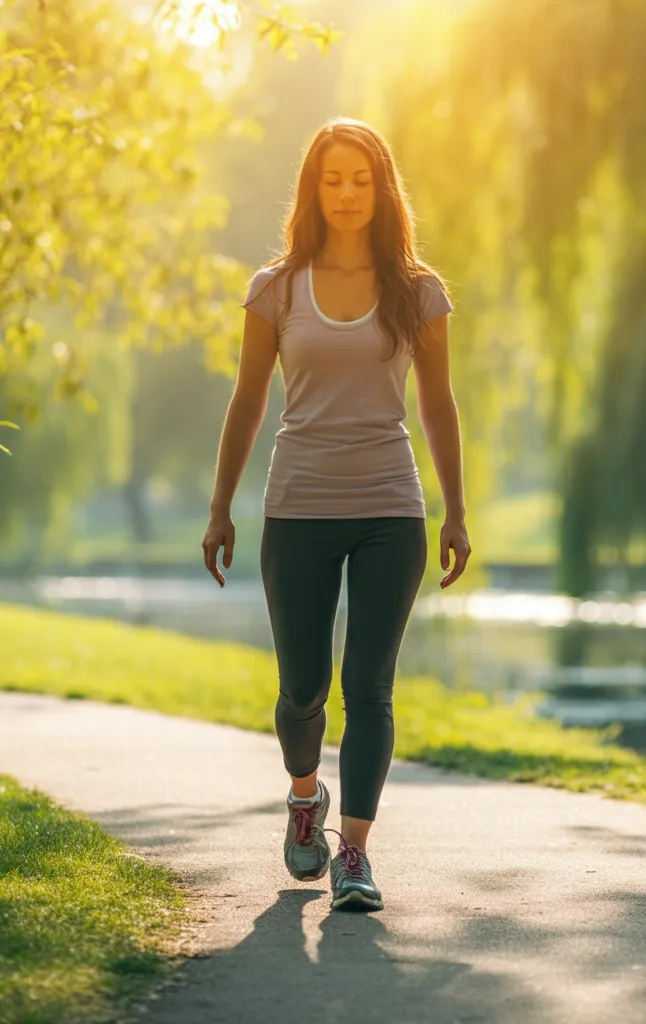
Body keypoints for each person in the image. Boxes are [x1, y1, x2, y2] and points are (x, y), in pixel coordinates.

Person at [201, 117, 471, 912]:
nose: (348, 194)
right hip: (299, 508)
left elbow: (438, 404)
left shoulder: (419, 291)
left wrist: (454, 511)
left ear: (382, 189)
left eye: (361, 179)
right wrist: (221, 507)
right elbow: (248, 402)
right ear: (312, 191)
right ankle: (302, 796)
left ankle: (354, 850)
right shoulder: (276, 289)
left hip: (391, 506)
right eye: (332, 180)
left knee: (371, 686)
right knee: (302, 691)